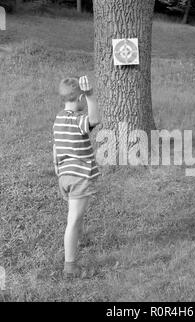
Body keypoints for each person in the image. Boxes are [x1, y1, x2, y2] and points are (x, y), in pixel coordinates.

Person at [53, 76, 100, 277]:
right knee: (73, 219)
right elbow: (95, 120)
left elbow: (55, 147)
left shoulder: (59, 119)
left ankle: (79, 239)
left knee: (76, 215)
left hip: (65, 175)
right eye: (83, 97)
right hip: (79, 176)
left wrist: (57, 169)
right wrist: (91, 96)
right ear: (79, 97)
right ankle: (70, 266)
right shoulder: (77, 120)